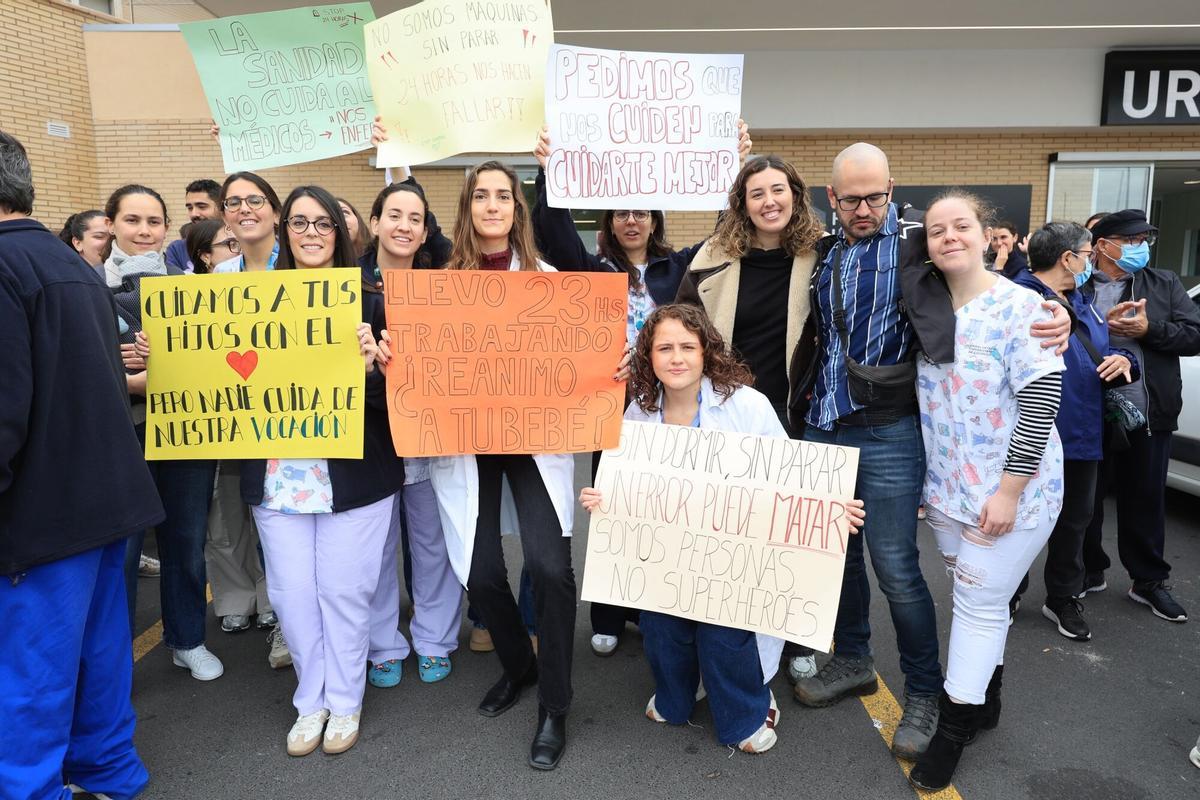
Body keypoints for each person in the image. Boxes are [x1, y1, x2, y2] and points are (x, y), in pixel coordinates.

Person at [790, 143, 1070, 761]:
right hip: (822, 425)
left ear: (892, 190)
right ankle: (854, 659)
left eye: (876, 196)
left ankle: (923, 693)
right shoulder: (824, 252)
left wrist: (1058, 309)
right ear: (830, 199)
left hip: (888, 430)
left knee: (896, 568)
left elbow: (987, 280)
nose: (865, 209)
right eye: (851, 198)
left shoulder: (919, 244)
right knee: (835, 559)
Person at [580, 304, 865, 754]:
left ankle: (750, 706)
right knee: (661, 627)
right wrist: (603, 499)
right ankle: (678, 692)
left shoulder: (746, 405)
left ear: (706, 351)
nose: (677, 358)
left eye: (687, 347)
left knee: (724, 634)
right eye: (665, 348)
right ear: (648, 357)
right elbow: (626, 483)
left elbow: (791, 474)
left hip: (733, 561)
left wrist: (831, 509)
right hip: (665, 558)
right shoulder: (638, 411)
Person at [0, 129, 163, 800]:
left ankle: (31, 788)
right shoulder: (70, 265)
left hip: (41, 513)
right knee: (98, 656)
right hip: (106, 500)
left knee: (31, 670)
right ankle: (107, 768)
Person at [908, 190, 1065, 790]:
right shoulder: (923, 304)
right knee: (983, 600)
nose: (948, 237)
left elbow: (1040, 398)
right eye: (936, 230)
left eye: (961, 226)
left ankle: (950, 735)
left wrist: (1008, 491)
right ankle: (987, 700)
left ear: (985, 234)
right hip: (947, 491)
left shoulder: (1022, 307)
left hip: (1011, 494)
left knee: (973, 606)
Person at [240, 185, 402, 755]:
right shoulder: (246, 302)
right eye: (300, 222)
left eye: (323, 223)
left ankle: (346, 701)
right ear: (284, 232)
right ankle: (310, 704)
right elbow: (225, 382)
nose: (311, 232)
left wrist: (371, 373)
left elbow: (405, 402)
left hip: (354, 480)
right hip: (278, 478)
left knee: (344, 592)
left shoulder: (373, 303)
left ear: (342, 232)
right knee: (291, 595)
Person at [426, 160, 577, 770]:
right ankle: (521, 667)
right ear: (467, 209)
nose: (492, 205)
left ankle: (556, 706)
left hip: (534, 442)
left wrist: (608, 365)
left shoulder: (547, 279)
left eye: (503, 196)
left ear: (518, 208)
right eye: (481, 196)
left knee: (550, 568)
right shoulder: (441, 283)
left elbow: (578, 353)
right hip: (469, 443)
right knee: (481, 573)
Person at [673, 152, 831, 685]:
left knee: (792, 534)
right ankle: (728, 648)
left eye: (778, 190)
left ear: (796, 194)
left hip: (798, 413)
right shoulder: (711, 258)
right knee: (730, 535)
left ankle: (797, 638)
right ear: (741, 203)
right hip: (726, 418)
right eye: (756, 192)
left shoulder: (824, 254)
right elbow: (679, 328)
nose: (769, 201)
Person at [105, 182, 223, 682]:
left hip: (187, 431)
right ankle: (112, 660)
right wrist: (128, 378)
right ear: (111, 224)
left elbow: (216, 359)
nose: (143, 231)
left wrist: (168, 373)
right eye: (132, 220)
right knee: (123, 550)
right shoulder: (84, 285)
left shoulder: (190, 286)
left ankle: (187, 639)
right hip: (118, 436)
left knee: (186, 538)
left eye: (153, 221)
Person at [1009, 222, 1137, 640]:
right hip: (1034, 436)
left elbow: (1099, 344)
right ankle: (1005, 595)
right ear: (1068, 258)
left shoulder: (1081, 298)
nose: (1090, 260)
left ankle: (1062, 596)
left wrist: (1121, 358)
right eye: (1086, 252)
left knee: (1074, 522)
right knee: (1019, 521)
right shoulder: (1018, 300)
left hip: (1083, 434)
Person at [360, 181, 462, 688]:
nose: (404, 225)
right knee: (376, 547)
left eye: (415, 218)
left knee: (431, 542)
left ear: (425, 232)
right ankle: (381, 643)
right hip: (368, 437)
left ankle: (435, 638)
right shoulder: (344, 287)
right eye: (393, 214)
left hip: (428, 433)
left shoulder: (441, 286)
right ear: (374, 223)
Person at [1081, 210, 1200, 622]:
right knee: (1085, 501)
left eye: (1143, 239)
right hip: (1089, 413)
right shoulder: (1076, 287)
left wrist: (1150, 331)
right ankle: (1087, 571)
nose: (1139, 247)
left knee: (1145, 499)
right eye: (1130, 240)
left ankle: (1147, 581)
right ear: (1101, 245)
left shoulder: (1163, 283)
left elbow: (1195, 335)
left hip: (1148, 412)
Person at [165, 178, 222, 272]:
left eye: (202, 207)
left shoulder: (238, 246)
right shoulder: (177, 249)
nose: (194, 214)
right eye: (190, 208)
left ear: (221, 207)